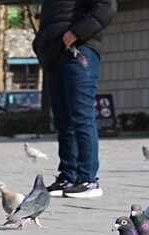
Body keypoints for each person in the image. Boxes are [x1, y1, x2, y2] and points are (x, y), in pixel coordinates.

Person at [33, 0, 117, 198]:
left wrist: (76, 33)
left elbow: (107, 7)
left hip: (80, 49)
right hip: (54, 53)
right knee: (63, 119)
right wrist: (41, 44)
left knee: (81, 115)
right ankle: (68, 177)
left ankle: (88, 180)